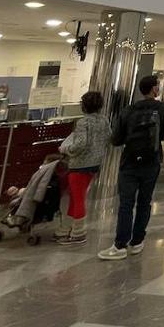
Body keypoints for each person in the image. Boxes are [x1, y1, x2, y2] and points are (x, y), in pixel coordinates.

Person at [99, 75, 164, 261]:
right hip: (152, 161)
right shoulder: (163, 109)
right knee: (144, 201)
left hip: (129, 162)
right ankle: (137, 241)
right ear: (154, 89)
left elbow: (116, 139)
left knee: (126, 203)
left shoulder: (128, 110)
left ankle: (120, 244)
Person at [55, 90, 111, 245]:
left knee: (78, 197)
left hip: (80, 164)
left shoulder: (83, 123)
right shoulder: (104, 120)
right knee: (76, 195)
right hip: (95, 163)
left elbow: (80, 144)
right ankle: (70, 227)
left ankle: (79, 231)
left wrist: (66, 149)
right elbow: (108, 138)